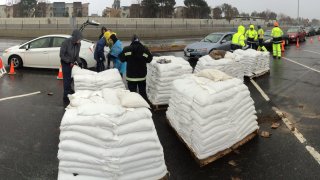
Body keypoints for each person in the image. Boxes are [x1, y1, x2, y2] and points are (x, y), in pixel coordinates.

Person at [119, 35, 153, 101]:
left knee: (132, 94)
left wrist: (128, 58)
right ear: (139, 41)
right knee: (143, 93)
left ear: (132, 41)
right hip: (141, 76)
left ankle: (134, 108)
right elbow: (149, 59)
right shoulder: (145, 49)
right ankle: (145, 107)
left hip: (131, 76)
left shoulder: (126, 49)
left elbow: (121, 58)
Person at [60, 29, 82, 104]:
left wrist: (79, 62)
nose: (80, 40)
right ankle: (65, 96)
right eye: (79, 39)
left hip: (72, 63)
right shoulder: (66, 43)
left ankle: (69, 89)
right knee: (66, 79)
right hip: (65, 63)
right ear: (75, 37)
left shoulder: (79, 44)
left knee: (71, 78)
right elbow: (62, 55)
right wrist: (69, 61)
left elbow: (77, 55)